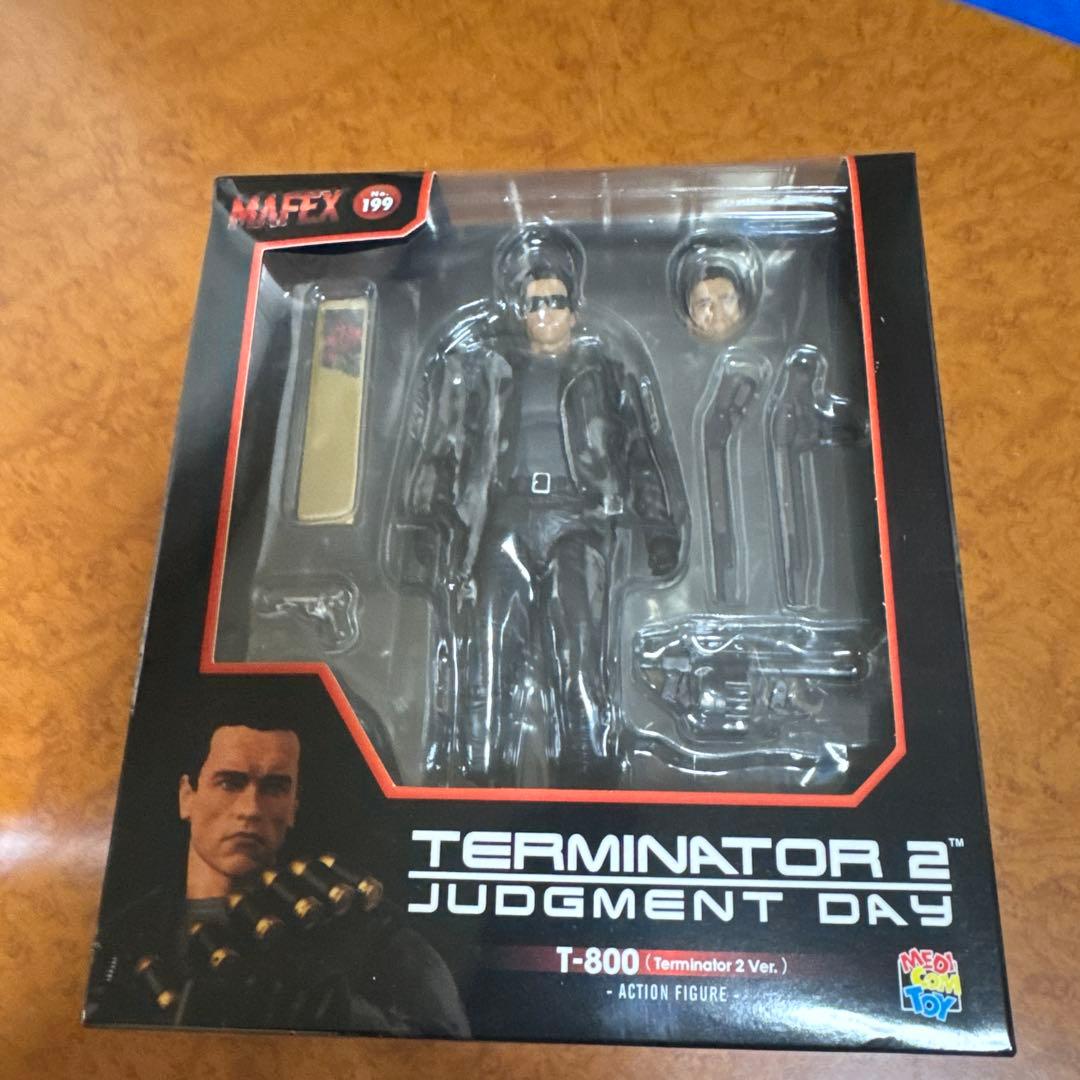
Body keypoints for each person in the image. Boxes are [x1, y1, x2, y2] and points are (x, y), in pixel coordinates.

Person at [404, 232, 683, 788]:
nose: (546, 313)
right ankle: (480, 773)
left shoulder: (603, 370)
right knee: (487, 652)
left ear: (574, 310)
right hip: (504, 516)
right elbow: (449, 444)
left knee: (579, 652)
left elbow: (639, 451)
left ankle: (588, 773)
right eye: (535, 303)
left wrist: (658, 529)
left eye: (556, 301)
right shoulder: (490, 369)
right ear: (521, 310)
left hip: (578, 517)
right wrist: (427, 521)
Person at [85, 713, 470, 1035]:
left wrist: (341, 1015)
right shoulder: (124, 935)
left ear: (293, 807)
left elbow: (448, 1043)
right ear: (188, 796)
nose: (251, 809)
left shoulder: (360, 926)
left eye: (274, 788)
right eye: (230, 782)